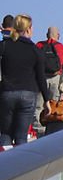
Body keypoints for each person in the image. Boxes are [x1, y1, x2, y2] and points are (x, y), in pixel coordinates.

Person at [0, 15, 50, 146]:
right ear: (28, 29)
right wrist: (47, 100)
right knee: (21, 136)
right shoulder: (35, 51)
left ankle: (4, 163)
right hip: (28, 94)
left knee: (5, 133)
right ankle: (20, 164)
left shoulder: (4, 46)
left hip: (7, 93)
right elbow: (41, 77)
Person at [34, 26, 63, 136]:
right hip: (56, 79)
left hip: (41, 78)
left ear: (46, 35)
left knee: (39, 105)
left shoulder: (39, 45)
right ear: (58, 35)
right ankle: (51, 129)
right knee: (54, 105)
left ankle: (38, 130)